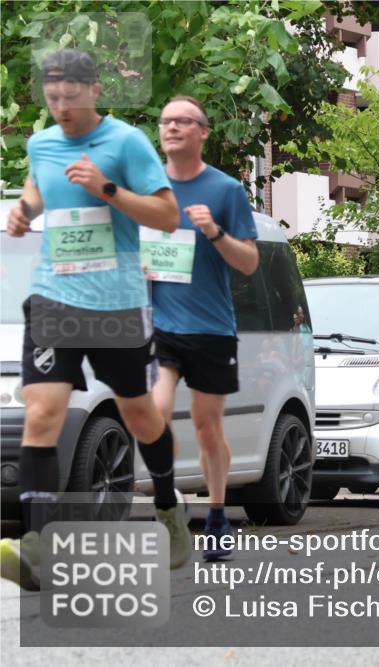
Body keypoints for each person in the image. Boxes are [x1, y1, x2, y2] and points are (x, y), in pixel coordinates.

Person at [0, 49, 187, 590]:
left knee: (138, 414)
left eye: (70, 97)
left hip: (116, 305)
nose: (61, 107)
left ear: (95, 91)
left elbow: (167, 215)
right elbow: (38, 186)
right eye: (52, 98)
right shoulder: (41, 143)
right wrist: (24, 210)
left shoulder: (126, 143)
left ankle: (168, 506)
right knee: (41, 413)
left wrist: (106, 188)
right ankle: (37, 541)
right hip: (54, 297)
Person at [151, 96, 259, 560]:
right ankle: (167, 501)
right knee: (154, 415)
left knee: (207, 426)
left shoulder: (225, 190)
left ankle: (216, 514)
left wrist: (214, 232)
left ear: (203, 131)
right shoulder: (148, 188)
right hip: (160, 324)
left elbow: (249, 262)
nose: (172, 127)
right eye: (166, 120)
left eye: (183, 121)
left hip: (211, 328)